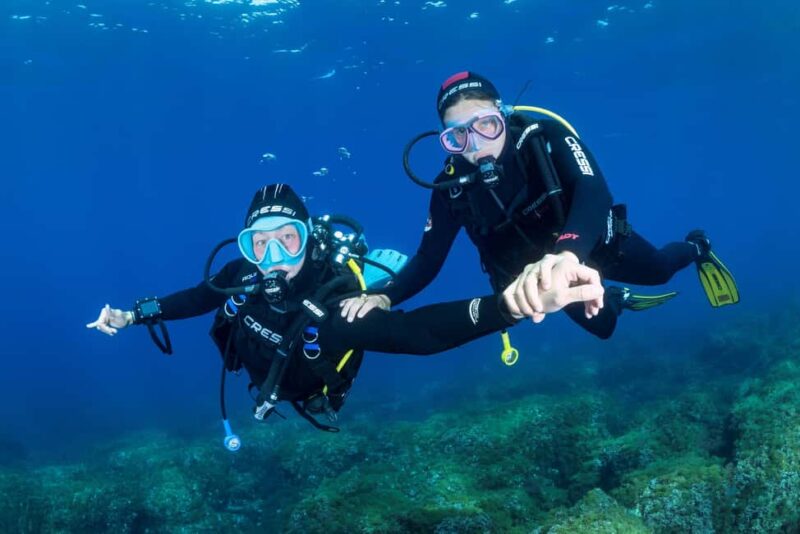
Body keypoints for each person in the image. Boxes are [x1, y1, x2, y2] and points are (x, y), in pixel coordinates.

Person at [87, 184, 603, 446]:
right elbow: (200, 296)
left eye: (286, 241)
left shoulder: (332, 306)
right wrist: (133, 314)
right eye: (257, 243)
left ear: (307, 240)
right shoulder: (242, 272)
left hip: (312, 390)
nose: (271, 259)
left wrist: (509, 305)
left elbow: (417, 333)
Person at [341, 71, 739, 339]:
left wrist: (566, 254)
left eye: (486, 124)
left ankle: (697, 247)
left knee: (659, 272)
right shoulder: (451, 186)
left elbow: (594, 191)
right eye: (457, 136)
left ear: (503, 116)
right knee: (604, 329)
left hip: (589, 244)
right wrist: (384, 296)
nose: (475, 144)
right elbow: (428, 260)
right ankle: (615, 299)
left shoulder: (543, 137)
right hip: (541, 275)